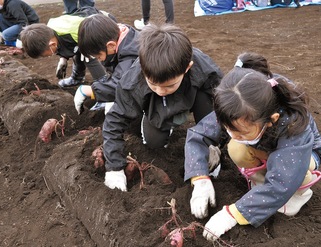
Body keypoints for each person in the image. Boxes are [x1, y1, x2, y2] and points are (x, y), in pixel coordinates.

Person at [184, 52, 321, 241]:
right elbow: (198, 135)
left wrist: (233, 213)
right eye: (228, 130)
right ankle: (260, 185)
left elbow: (282, 182)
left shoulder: (292, 122)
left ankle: (300, 192)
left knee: (291, 184)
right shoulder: (234, 106)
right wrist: (199, 179)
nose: (233, 135)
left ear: (271, 120)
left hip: (304, 156)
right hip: (266, 147)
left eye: (241, 133)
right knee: (236, 148)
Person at [102, 24, 223, 192]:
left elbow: (224, 105)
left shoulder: (204, 69)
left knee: (210, 109)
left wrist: (216, 140)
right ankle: (157, 122)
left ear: (187, 67)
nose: (160, 91)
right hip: (156, 107)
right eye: (153, 84)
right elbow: (114, 121)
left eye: (168, 86)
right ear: (143, 70)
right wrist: (114, 167)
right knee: (154, 142)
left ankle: (210, 149)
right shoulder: (132, 80)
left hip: (194, 96)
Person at [20, 7, 116, 87]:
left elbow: (87, 42)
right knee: (78, 54)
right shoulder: (49, 33)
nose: (49, 56)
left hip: (102, 25)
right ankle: (77, 78)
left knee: (89, 57)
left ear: (52, 45)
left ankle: (105, 85)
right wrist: (63, 59)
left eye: (46, 55)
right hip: (80, 33)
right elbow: (67, 46)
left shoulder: (73, 31)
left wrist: (86, 51)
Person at [73, 13, 140, 115]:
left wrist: (90, 91)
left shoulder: (131, 54)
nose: (99, 60)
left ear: (110, 45)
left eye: (99, 57)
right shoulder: (122, 36)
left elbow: (123, 84)